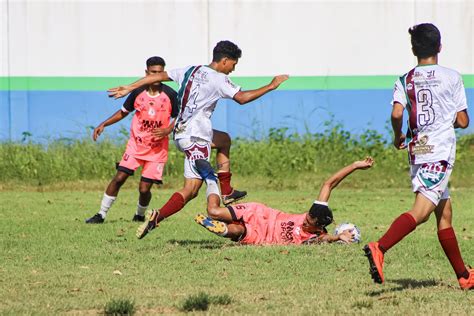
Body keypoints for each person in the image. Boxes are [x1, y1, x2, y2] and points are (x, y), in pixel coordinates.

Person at [108, 40, 289, 237]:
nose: (233, 69)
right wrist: (271, 86)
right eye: (234, 64)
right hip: (196, 137)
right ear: (225, 60)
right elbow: (242, 98)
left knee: (197, 181)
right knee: (209, 177)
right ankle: (216, 212)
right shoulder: (219, 79)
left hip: (182, 134)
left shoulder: (191, 70)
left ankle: (158, 217)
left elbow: (158, 76)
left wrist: (129, 87)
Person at [363, 23, 473, 290]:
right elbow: (463, 120)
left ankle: (464, 275)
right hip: (440, 152)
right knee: (421, 212)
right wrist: (451, 121)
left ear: (414, 50)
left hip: (419, 151)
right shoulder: (452, 77)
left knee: (444, 213)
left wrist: (397, 135)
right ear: (439, 47)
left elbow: (397, 114)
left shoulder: (404, 80)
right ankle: (380, 246)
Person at [194, 157, 374, 245]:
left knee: (237, 230)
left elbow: (324, 239)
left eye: (309, 221)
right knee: (214, 211)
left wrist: (337, 238)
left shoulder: (315, 236)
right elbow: (329, 184)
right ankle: (210, 177)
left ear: (317, 227)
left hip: (262, 236)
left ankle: (222, 229)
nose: (306, 219)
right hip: (262, 214)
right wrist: (355, 166)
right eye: (308, 215)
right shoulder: (317, 212)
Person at [85, 56, 179, 223]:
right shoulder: (137, 92)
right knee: (119, 178)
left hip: (157, 150)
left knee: (144, 189)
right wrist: (104, 124)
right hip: (135, 147)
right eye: (153, 72)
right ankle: (101, 214)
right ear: (146, 72)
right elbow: (123, 112)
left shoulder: (170, 95)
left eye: (160, 72)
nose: (156, 75)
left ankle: (139, 215)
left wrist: (167, 130)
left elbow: (180, 118)